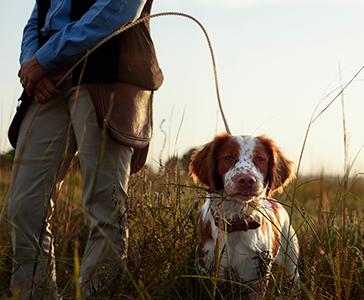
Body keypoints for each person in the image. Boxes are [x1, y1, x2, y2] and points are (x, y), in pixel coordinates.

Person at [7, 0, 163, 298]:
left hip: (108, 72)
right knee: (24, 206)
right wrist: (32, 64)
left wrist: (44, 59)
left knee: (106, 207)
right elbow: (37, 16)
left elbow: (119, 8)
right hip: (49, 82)